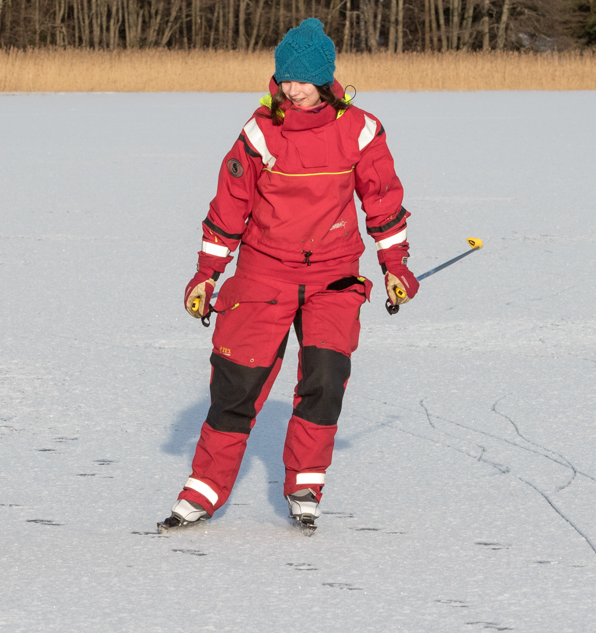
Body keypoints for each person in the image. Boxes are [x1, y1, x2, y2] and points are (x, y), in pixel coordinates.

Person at [158, 18, 418, 534]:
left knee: (324, 380)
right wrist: (207, 274)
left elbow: (383, 202)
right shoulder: (259, 132)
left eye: (301, 80)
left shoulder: (361, 129)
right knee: (236, 386)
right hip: (263, 273)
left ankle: (304, 484)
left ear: (324, 79)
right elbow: (229, 209)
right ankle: (202, 493)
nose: (291, 89)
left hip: (334, 275)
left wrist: (396, 267)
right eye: (285, 79)